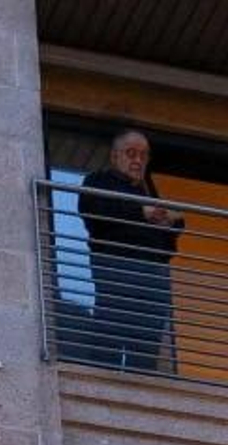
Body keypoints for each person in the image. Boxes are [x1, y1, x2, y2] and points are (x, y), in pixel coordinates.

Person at [75, 127, 184, 374]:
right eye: (131, 153)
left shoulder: (148, 191)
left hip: (152, 286)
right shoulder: (98, 181)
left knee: (144, 358)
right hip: (117, 277)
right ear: (115, 157)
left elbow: (170, 236)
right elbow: (94, 209)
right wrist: (140, 212)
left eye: (143, 156)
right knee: (107, 348)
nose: (137, 161)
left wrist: (169, 220)